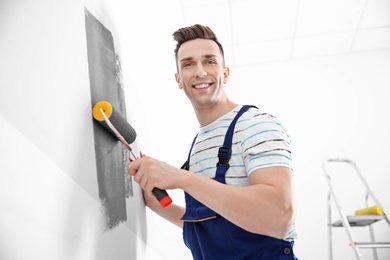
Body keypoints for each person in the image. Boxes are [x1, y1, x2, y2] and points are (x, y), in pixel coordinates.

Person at [128, 24, 298, 259]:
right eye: (188, 64)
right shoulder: (199, 143)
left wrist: (182, 178)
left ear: (225, 73)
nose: (199, 72)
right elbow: (212, 225)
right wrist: (154, 202)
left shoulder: (254, 124)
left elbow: (278, 216)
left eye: (209, 61)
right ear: (178, 79)